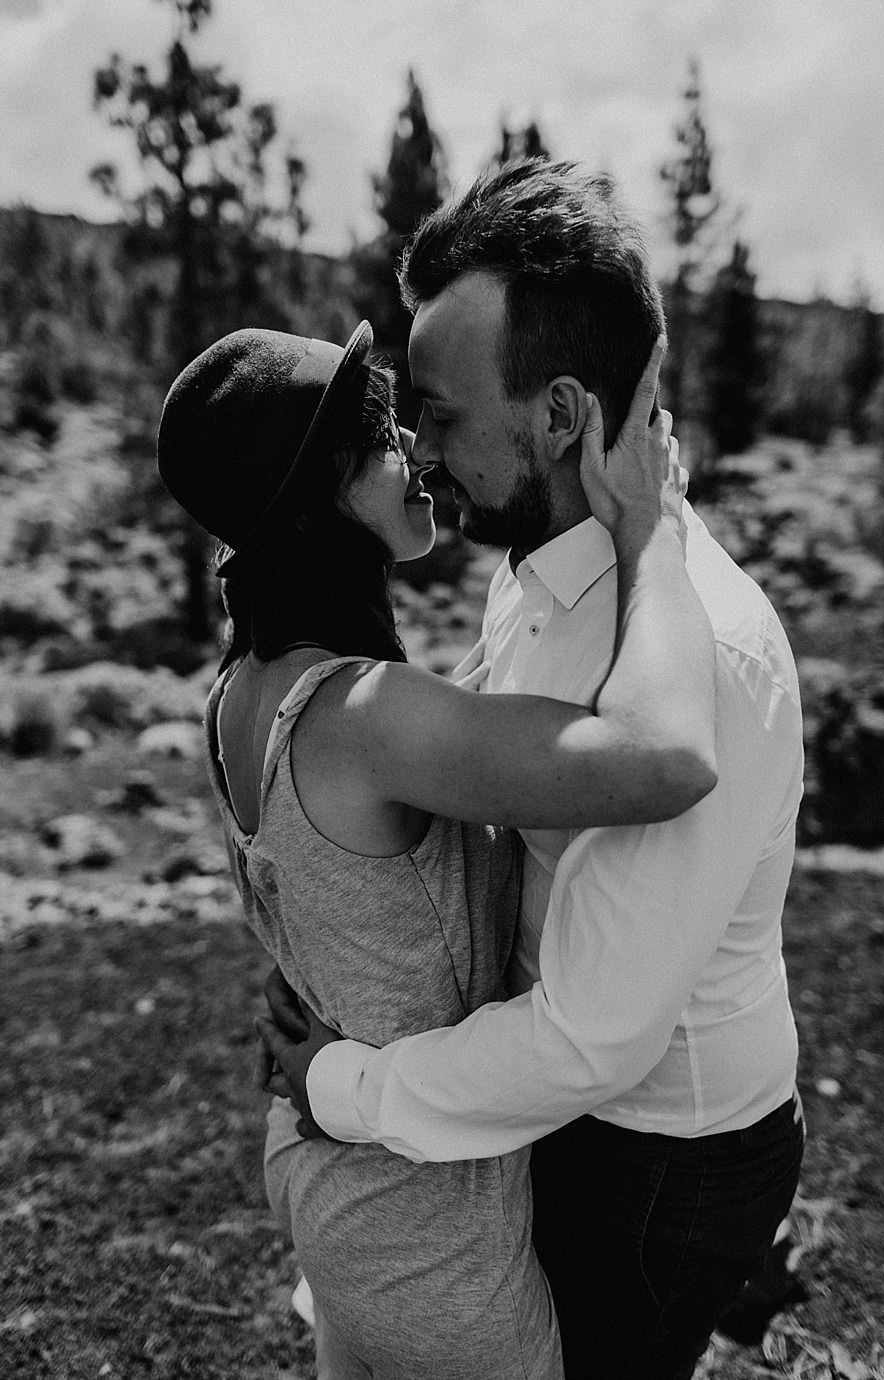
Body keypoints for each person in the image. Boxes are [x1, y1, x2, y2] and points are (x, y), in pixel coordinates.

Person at [261, 159, 811, 1379]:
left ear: (561, 417)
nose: (417, 446)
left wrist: (344, 1087)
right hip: (558, 1109)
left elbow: (591, 1040)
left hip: (659, 1151)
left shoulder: (700, 653)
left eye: (443, 415)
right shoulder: (542, 568)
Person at [162, 316, 705, 1377]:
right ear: (320, 490)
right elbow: (664, 761)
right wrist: (650, 530)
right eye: (378, 438)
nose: (413, 451)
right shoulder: (373, 717)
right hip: (429, 1233)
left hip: (335, 1187)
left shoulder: (240, 695)